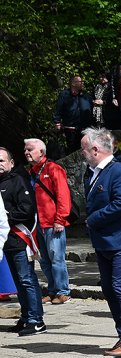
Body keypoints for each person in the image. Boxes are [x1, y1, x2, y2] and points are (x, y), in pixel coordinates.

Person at [81, 127, 121, 357]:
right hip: (104, 241)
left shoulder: (119, 171)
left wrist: (93, 219)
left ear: (95, 149)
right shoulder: (91, 172)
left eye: (84, 148)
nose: (82, 152)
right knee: (109, 288)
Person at [22, 138, 73, 305]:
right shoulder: (31, 172)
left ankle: (63, 291)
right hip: (38, 224)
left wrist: (60, 219)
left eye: (30, 149)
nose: (26, 152)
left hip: (53, 223)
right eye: (25, 150)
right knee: (44, 260)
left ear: (41, 152)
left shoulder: (53, 169)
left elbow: (63, 196)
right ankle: (52, 291)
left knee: (57, 258)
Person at [0, 148, 45, 336]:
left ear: (11, 162)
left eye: (2, 160)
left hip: (19, 239)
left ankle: (36, 320)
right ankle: (26, 316)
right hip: (5, 242)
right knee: (18, 282)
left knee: (27, 279)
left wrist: (4, 216)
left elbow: (26, 210)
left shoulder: (18, 180)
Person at [52, 74, 94, 154]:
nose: (82, 83)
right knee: (72, 150)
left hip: (85, 129)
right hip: (70, 128)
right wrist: (57, 122)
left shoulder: (86, 95)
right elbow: (58, 109)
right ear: (73, 83)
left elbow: (91, 108)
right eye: (80, 82)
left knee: (85, 150)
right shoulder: (65, 94)